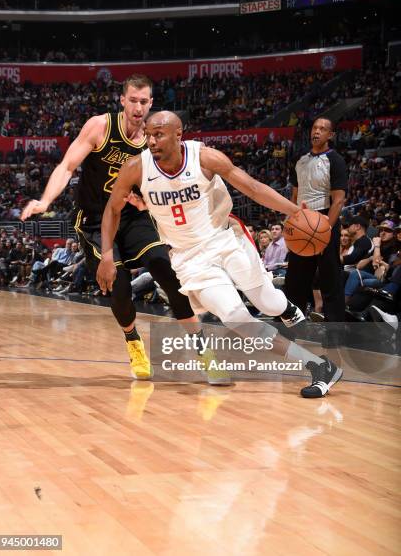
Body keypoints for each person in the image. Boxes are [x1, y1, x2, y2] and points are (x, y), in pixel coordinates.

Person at [97, 111, 343, 398]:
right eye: (148, 134)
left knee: (268, 302)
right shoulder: (135, 168)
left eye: (159, 134)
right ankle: (319, 366)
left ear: (179, 135)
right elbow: (112, 210)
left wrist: (296, 212)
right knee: (235, 317)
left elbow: (251, 187)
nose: (151, 141)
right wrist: (105, 254)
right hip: (189, 259)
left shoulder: (205, 158)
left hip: (225, 238)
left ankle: (287, 310)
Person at [21, 75, 199, 381]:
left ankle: (202, 346)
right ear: (122, 100)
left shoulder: (154, 138)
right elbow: (67, 166)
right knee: (119, 286)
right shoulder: (100, 127)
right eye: (133, 100)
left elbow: (169, 180)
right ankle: (133, 342)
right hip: (94, 219)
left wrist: (149, 204)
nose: (138, 107)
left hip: (133, 217)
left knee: (164, 269)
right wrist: (45, 200)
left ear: (151, 104)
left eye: (144, 102)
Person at [285, 117, 347, 323]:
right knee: (294, 281)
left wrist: (326, 228)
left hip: (324, 219)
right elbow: (294, 196)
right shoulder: (300, 160)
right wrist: (289, 221)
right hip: (302, 220)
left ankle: (335, 334)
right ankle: (291, 330)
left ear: (331, 135)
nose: (317, 132)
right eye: (314, 128)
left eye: (323, 129)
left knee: (331, 281)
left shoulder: (335, 160)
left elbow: (338, 200)